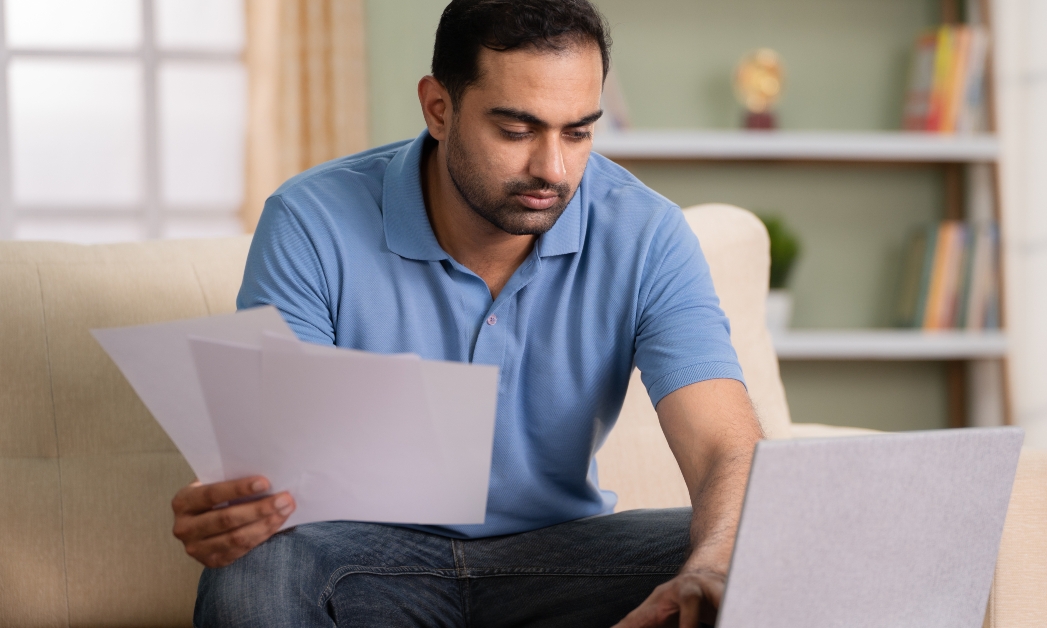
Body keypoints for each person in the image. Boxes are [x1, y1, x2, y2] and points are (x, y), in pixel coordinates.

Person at [173, 0, 763, 625]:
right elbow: (278, 461)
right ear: (438, 108)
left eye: (578, 132)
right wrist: (234, 513)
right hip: (367, 561)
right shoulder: (310, 221)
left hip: (564, 556)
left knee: (760, 548)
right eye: (516, 130)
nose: (553, 169)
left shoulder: (647, 234)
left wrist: (714, 566)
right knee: (255, 569)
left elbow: (723, 449)